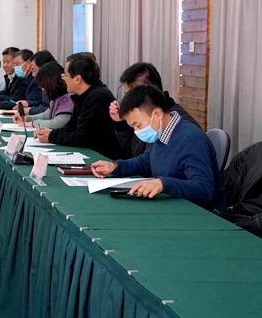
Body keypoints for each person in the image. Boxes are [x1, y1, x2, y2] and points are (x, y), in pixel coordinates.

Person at [91, 85, 226, 211]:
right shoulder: (161, 132)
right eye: (133, 127)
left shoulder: (191, 139)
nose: (136, 131)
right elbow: (146, 161)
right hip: (171, 205)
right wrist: (115, 166)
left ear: (157, 114)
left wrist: (163, 184)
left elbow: (204, 188)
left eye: (138, 125)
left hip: (198, 213)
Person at [36, 53, 124, 160]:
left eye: (65, 76)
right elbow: (71, 127)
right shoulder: (83, 95)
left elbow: (82, 138)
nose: (64, 79)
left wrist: (51, 136)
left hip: (104, 159)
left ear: (78, 79)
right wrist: (49, 132)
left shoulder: (97, 98)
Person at [109, 62, 198, 159]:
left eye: (129, 95)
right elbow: (135, 153)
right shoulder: (146, 117)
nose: (126, 101)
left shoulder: (180, 129)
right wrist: (121, 124)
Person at [15, 61, 73, 130]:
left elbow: (56, 123)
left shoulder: (69, 98)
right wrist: (26, 119)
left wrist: (33, 123)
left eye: (43, 85)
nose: (42, 89)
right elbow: (46, 115)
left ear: (50, 83)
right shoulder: (57, 97)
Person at [14, 50, 56, 114]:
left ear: (44, 68)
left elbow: (50, 110)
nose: (33, 75)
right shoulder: (46, 85)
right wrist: (28, 103)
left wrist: (31, 110)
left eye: (33, 70)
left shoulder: (55, 85)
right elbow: (42, 104)